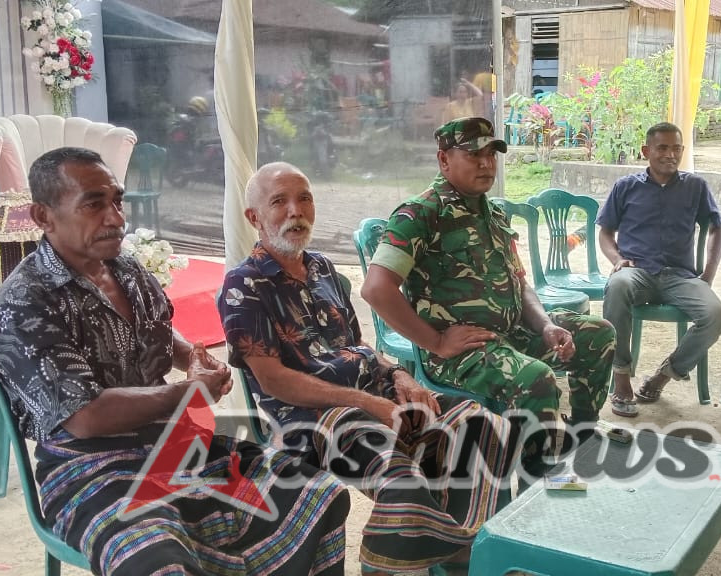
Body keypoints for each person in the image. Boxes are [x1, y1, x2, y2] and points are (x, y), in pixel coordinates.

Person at [0, 147, 350, 576]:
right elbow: (84, 417)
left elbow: (157, 329)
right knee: (156, 559)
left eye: (117, 200)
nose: (116, 218)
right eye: (93, 204)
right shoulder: (27, 301)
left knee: (319, 493)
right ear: (43, 217)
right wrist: (185, 391)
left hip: (177, 449)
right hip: (89, 467)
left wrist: (192, 356)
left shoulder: (123, 267)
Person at [218, 162, 512, 573]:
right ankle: (389, 564)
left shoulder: (322, 268)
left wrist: (398, 375)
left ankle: (464, 556)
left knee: (480, 426)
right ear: (254, 217)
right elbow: (275, 381)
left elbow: (357, 346)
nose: (295, 212)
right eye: (279, 202)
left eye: (304, 198)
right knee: (397, 467)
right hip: (312, 422)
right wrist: (370, 404)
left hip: (375, 398)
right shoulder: (244, 286)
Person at [361, 116, 616, 457]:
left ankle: (580, 433)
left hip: (511, 333)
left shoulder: (493, 214)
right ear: (444, 160)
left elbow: (520, 281)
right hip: (461, 353)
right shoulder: (420, 214)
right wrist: (435, 341)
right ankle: (536, 472)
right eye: (473, 154)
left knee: (598, 333)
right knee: (536, 379)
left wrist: (545, 325)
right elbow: (376, 289)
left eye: (492, 154)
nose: (486, 163)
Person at [597, 122, 721, 417]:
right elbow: (605, 233)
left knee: (716, 315)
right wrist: (617, 260)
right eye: (663, 148)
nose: (671, 154)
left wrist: (708, 273)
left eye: (677, 148)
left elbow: (717, 229)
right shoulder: (625, 186)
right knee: (617, 285)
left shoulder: (696, 186)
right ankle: (621, 377)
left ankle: (665, 374)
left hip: (679, 275)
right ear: (646, 151)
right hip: (636, 270)